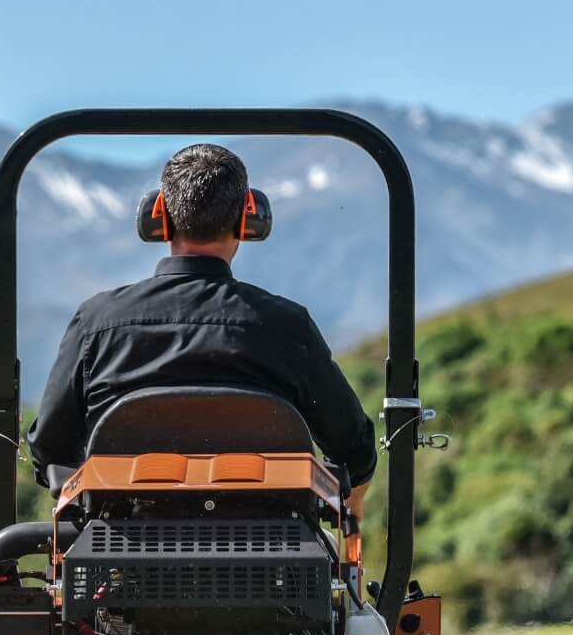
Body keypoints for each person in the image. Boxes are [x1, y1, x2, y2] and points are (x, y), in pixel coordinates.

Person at [25, 143, 379, 508]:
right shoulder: (289, 328)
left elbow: (50, 452)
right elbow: (355, 453)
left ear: (158, 215)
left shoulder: (96, 323)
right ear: (248, 217)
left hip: (121, 556)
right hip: (274, 561)